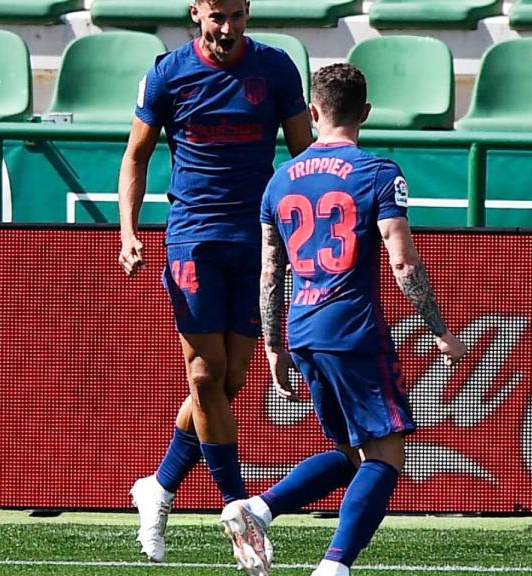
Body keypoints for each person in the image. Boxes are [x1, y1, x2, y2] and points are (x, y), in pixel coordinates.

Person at [220, 62, 467, 576]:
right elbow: (402, 261)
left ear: (313, 112)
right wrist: (439, 330)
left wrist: (273, 346)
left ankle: (259, 508)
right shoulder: (378, 172)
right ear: (366, 113)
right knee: (387, 454)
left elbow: (270, 272)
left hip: (303, 329)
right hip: (352, 329)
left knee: (353, 454)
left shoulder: (280, 179)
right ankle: (334, 567)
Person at [116, 0, 314, 567]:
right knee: (204, 374)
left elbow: (303, 156)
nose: (226, 28)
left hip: (257, 241)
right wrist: (128, 231)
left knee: (228, 382)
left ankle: (159, 484)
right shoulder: (167, 72)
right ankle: (235, 508)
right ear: (195, 12)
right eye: (215, 16)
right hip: (192, 240)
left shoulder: (276, 70)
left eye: (235, 16)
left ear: (247, 12)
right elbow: (136, 156)